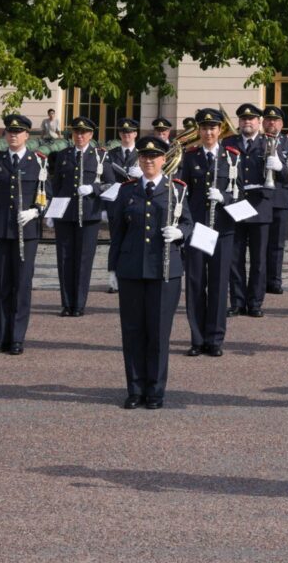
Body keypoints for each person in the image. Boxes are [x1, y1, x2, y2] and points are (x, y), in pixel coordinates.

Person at [106, 135, 185, 409]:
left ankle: (155, 391)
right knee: (132, 332)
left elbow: (192, 224)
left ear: (164, 160)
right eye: (144, 157)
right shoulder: (127, 191)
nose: (149, 161)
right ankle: (135, 389)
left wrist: (181, 232)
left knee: (159, 333)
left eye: (154, 157)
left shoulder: (178, 190)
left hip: (165, 271)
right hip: (131, 270)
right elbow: (117, 232)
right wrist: (112, 268)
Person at [175, 108, 246, 356]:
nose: (208, 132)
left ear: (220, 130)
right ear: (199, 131)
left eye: (212, 128)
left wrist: (224, 197)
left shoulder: (232, 157)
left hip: (223, 230)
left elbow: (242, 195)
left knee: (218, 284)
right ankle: (197, 338)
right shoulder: (191, 157)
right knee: (195, 284)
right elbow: (182, 195)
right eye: (204, 128)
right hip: (197, 229)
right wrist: (186, 225)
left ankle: (215, 339)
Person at [0, 113, 48, 355]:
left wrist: (35, 212)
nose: (14, 135)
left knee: (22, 285)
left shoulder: (38, 161)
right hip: (0, 230)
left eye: (18, 132)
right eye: (10, 131)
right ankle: (0, 336)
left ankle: (17, 337)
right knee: (2, 286)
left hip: (26, 233)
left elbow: (46, 197)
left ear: (27, 135)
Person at [47, 118, 107, 317]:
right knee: (64, 259)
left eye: (83, 133)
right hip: (65, 214)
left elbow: (113, 185)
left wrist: (94, 188)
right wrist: (51, 212)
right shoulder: (64, 155)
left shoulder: (100, 156)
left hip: (89, 216)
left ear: (91, 135)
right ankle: (66, 303)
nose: (79, 136)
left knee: (83, 260)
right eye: (76, 133)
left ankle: (79, 304)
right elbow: (56, 186)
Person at [230, 103, 274, 318]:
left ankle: (255, 302)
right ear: (239, 122)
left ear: (259, 122)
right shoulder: (229, 143)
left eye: (252, 118)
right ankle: (237, 302)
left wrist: (281, 167)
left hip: (259, 207)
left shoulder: (270, 143)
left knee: (258, 260)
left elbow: (284, 178)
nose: (247, 122)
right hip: (236, 206)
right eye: (243, 119)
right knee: (235, 258)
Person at [260, 106, 288, 296]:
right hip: (260, 199)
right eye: (267, 119)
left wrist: (281, 167)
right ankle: (259, 280)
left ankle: (274, 280)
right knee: (260, 244)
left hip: (281, 198)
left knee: (277, 244)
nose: (271, 123)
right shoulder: (257, 142)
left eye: (275, 120)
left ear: (281, 124)